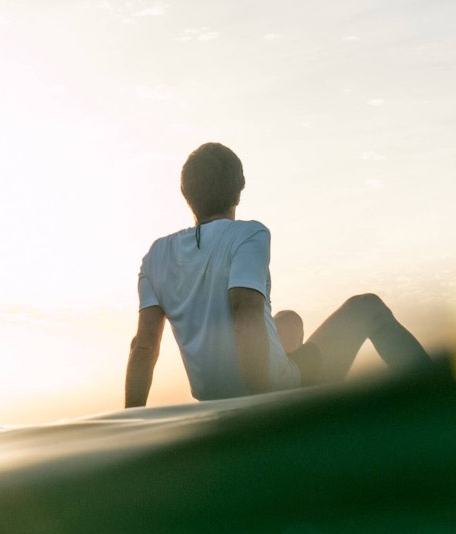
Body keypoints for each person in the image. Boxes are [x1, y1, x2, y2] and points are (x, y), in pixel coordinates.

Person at [125, 142, 429, 407]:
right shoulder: (248, 235)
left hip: (213, 396)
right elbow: (245, 314)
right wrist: (266, 410)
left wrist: (129, 426)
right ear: (239, 190)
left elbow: (144, 346)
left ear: (185, 193)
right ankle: (435, 396)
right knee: (368, 307)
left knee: (289, 320)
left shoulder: (157, 255)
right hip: (271, 391)